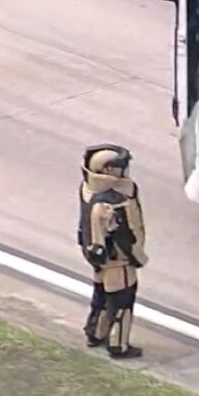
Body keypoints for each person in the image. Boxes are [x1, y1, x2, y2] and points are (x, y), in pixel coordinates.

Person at [77, 144, 148, 359]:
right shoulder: (110, 202)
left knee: (101, 296)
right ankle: (118, 344)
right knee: (122, 302)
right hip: (118, 260)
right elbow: (107, 234)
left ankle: (95, 332)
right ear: (109, 171)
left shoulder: (88, 189)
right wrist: (133, 255)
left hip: (102, 261)